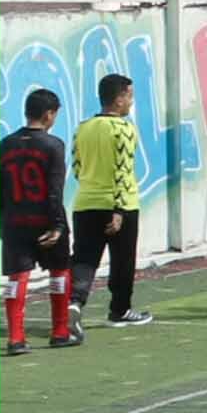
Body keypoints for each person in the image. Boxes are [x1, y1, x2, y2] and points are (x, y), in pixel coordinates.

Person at [68, 71, 151, 328]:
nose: (131, 102)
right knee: (123, 260)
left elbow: (77, 167)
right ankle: (120, 310)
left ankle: (75, 302)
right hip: (119, 204)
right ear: (119, 99)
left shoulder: (83, 128)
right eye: (129, 97)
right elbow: (123, 170)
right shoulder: (123, 129)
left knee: (84, 258)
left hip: (85, 203)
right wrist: (118, 209)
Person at [2, 87, 79, 355]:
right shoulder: (53, 145)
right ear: (49, 114)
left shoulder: (6, 144)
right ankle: (60, 332)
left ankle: (15, 338)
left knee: (16, 278)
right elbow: (55, 189)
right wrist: (58, 225)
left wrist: (2, 223)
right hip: (45, 220)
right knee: (59, 272)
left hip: (14, 222)